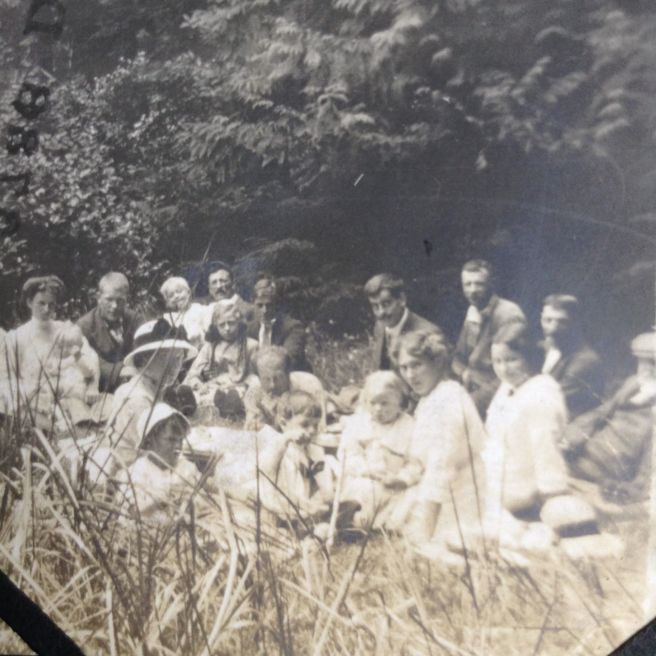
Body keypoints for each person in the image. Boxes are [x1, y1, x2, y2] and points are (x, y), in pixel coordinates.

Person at [483, 323, 597, 552]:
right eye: (497, 361)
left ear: (530, 356)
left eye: (512, 360)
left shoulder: (541, 393)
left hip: (522, 486)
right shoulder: (509, 386)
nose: (504, 369)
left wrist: (550, 497)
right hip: (498, 474)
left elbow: (546, 450)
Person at [382, 330, 485, 546]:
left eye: (416, 365)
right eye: (404, 367)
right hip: (441, 489)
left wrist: (425, 530)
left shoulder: (450, 398)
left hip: (464, 492)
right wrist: (403, 479)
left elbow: (442, 467)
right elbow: (421, 458)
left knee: (433, 542)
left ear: (437, 363)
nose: (410, 375)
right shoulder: (428, 400)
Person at [560, 329, 655, 499]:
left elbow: (650, 458)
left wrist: (638, 485)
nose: (645, 370)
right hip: (588, 450)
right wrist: (571, 436)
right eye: (641, 362)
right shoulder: (633, 384)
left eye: (653, 363)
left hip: (613, 466)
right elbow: (600, 413)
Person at [94, 318, 197, 474]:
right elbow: (159, 450)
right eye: (165, 358)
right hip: (131, 470)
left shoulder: (153, 390)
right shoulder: (137, 399)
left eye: (179, 358)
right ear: (143, 361)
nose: (175, 366)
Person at [0, 276, 98, 428]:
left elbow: (90, 359)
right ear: (29, 302)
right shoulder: (17, 337)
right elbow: (7, 377)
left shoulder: (66, 330)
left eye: (51, 304)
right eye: (41, 303)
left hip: (69, 395)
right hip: (35, 400)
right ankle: (51, 427)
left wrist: (93, 386)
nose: (46, 309)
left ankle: (75, 424)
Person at [337, 371, 420, 528]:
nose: (378, 409)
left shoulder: (409, 427)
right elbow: (348, 453)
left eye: (384, 403)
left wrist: (403, 479)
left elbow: (416, 462)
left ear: (400, 403)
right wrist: (365, 470)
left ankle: (386, 524)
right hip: (365, 479)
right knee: (362, 493)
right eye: (372, 403)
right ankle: (352, 520)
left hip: (395, 484)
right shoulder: (359, 423)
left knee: (412, 498)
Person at [452, 260, 526, 417]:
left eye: (479, 284)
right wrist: (466, 374)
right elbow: (458, 359)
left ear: (491, 283)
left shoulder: (508, 314)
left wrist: (468, 404)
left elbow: (510, 375)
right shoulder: (473, 311)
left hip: (499, 397)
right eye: (467, 284)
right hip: (470, 390)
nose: (473, 290)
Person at [116, 403, 201, 524]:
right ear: (150, 441)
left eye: (180, 440)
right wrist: (160, 500)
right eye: (171, 439)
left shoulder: (187, 469)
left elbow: (200, 500)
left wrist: (188, 502)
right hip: (148, 530)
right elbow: (132, 512)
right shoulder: (136, 472)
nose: (178, 446)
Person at [184, 301, 258, 420]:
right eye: (222, 325)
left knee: (239, 395)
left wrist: (240, 385)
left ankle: (230, 407)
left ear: (239, 322)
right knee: (198, 397)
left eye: (231, 323)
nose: (227, 328)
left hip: (238, 389)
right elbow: (193, 374)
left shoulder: (250, 345)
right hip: (211, 389)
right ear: (215, 326)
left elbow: (254, 378)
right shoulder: (209, 347)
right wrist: (198, 385)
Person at [539, 294, 604, 419]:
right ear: (541, 319)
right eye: (548, 320)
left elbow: (547, 402)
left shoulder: (585, 361)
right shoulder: (544, 347)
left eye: (562, 322)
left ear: (576, 323)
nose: (553, 328)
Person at [77, 272, 142, 393]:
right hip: (101, 390)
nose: (114, 306)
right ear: (98, 298)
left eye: (120, 300)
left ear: (127, 299)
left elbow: (144, 349)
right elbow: (84, 359)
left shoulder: (135, 319)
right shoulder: (85, 326)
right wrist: (119, 370)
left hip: (136, 382)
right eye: (109, 299)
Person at [364, 273, 442, 372]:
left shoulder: (428, 333)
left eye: (386, 304)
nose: (381, 312)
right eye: (375, 306)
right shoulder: (380, 326)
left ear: (402, 299)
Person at [246, 278, 311, 371]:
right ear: (253, 304)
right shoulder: (249, 329)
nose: (264, 311)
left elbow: (289, 360)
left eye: (269, 305)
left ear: (276, 305)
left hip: (290, 374)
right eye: (260, 305)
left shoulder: (293, 328)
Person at [160, 276, 209, 350]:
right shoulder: (170, 319)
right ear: (168, 301)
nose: (176, 296)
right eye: (171, 295)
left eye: (179, 291)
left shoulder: (200, 310)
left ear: (188, 292)